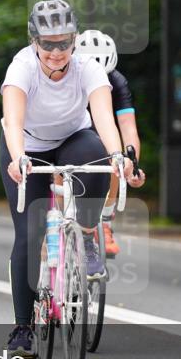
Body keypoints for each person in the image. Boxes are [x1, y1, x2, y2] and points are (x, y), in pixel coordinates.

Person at [0, 0, 133, 358]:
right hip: (28, 146)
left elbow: (104, 116)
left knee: (98, 159)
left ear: (74, 40)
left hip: (75, 139)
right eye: (48, 43)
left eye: (64, 43)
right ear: (34, 41)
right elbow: (13, 120)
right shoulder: (21, 67)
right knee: (30, 233)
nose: (57, 52)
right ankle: (23, 328)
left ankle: (87, 232)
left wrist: (118, 157)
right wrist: (18, 158)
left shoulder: (87, 67)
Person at [73, 29, 146, 256]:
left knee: (116, 160)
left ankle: (104, 222)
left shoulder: (118, 82)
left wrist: (132, 163)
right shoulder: (66, 76)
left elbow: (127, 127)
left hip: (104, 131)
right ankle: (55, 224)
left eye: (104, 76)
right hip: (73, 129)